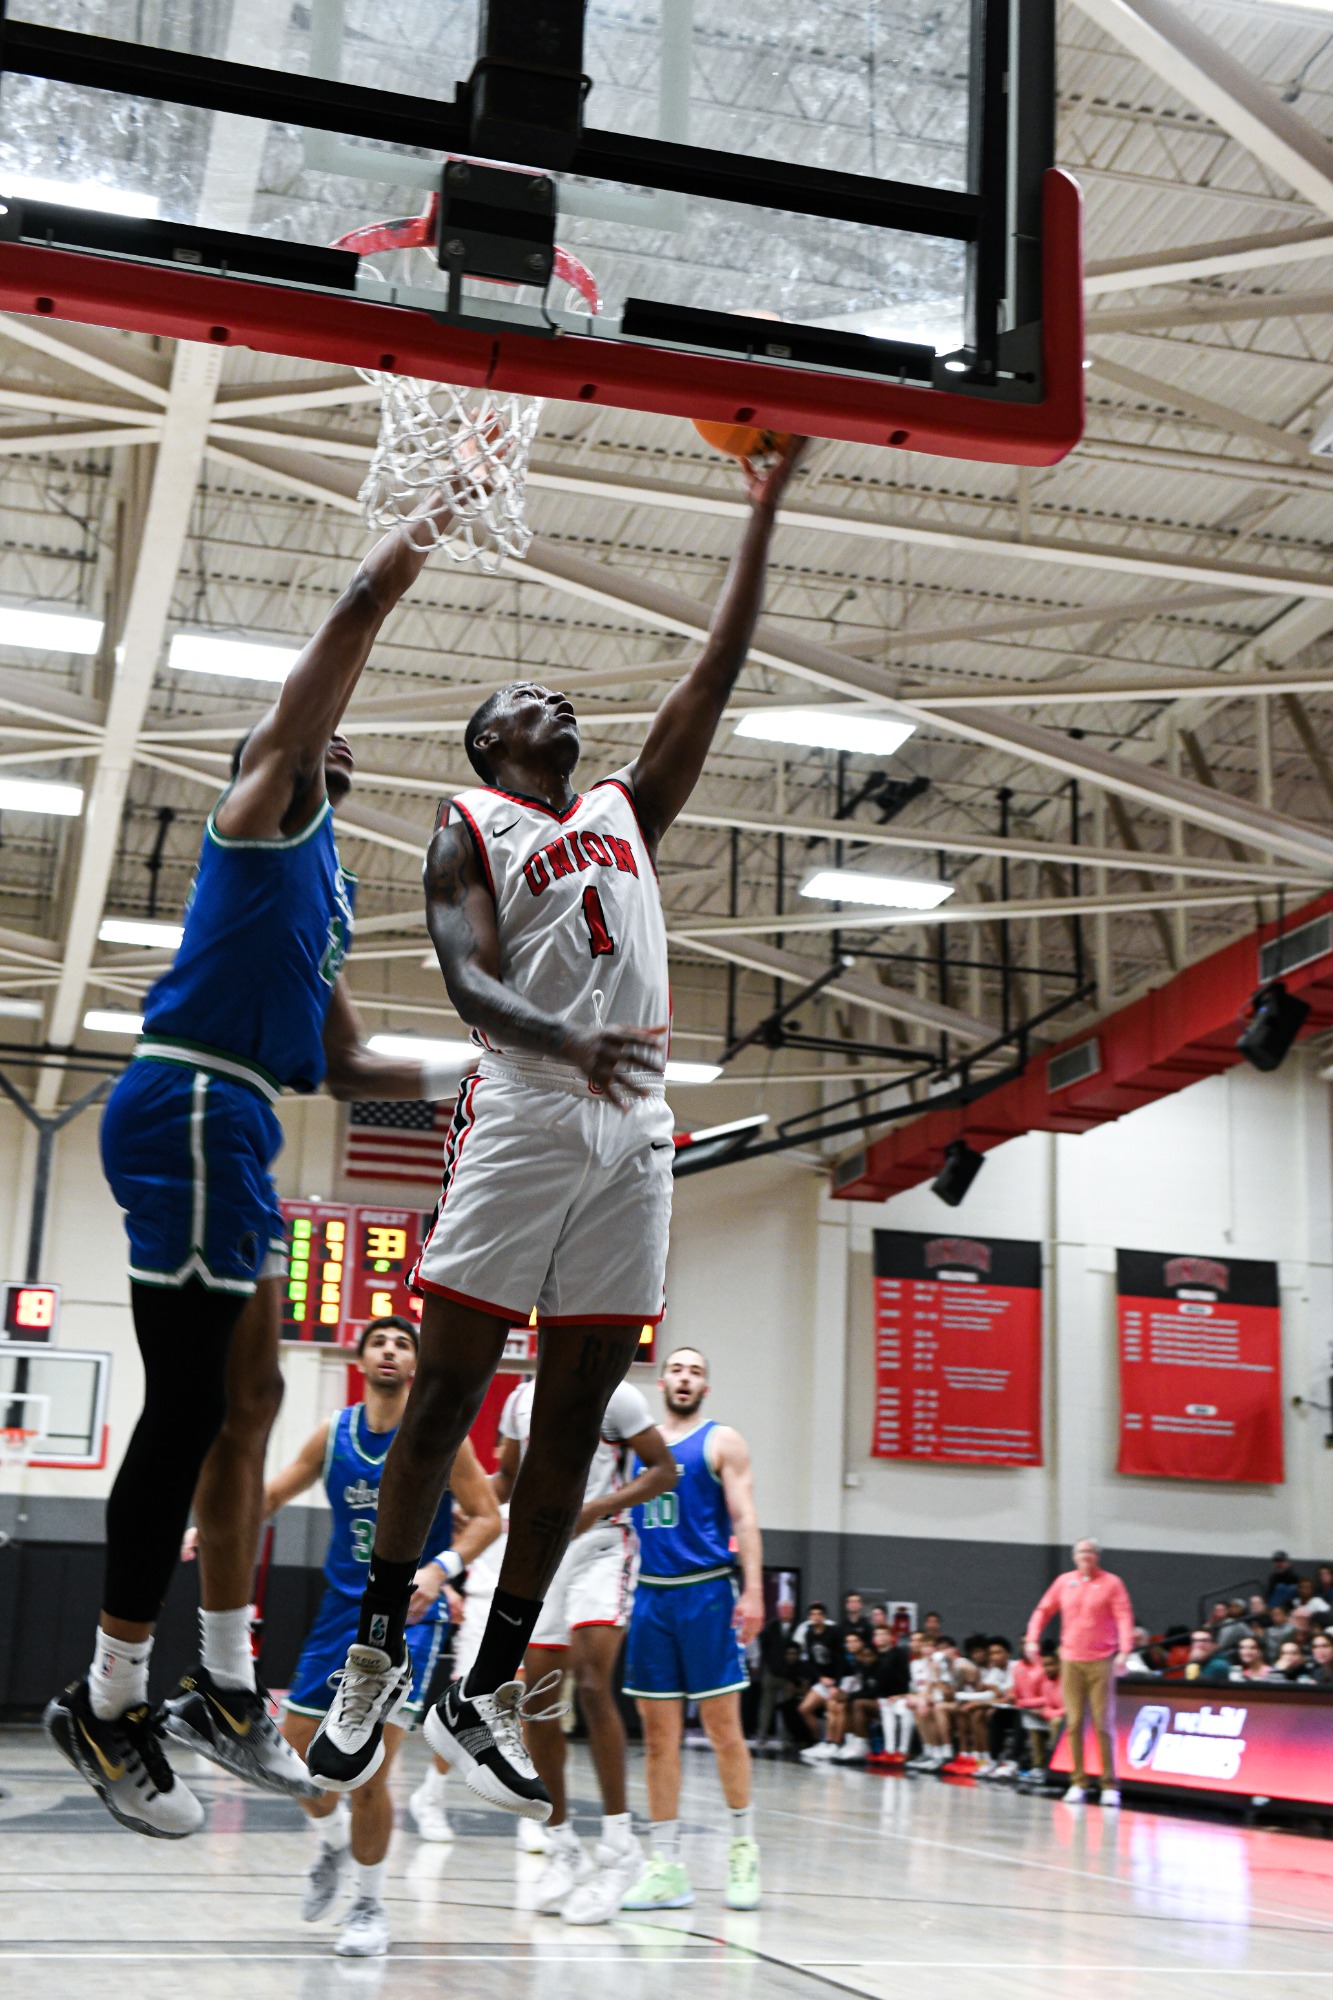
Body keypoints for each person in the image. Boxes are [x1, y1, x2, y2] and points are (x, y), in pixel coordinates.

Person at [304, 441, 805, 1815]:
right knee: (453, 1393)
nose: (558, 697)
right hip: (528, 1108)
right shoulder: (468, 824)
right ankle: (370, 1652)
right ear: (488, 741)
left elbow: (716, 667)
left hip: (635, 1128)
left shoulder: (624, 809)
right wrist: (561, 1039)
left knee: (575, 1417)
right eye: (530, 695)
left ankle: (485, 1671)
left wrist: (762, 511)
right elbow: (468, 982)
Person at [44, 488, 466, 1838]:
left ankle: (224, 1688)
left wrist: (496, 1068)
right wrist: (414, 542)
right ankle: (108, 1699)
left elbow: (346, 1071)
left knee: (253, 1398)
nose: (328, 743)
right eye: (308, 735)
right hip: (181, 1106)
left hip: (240, 1123)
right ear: (275, 759)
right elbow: (344, 628)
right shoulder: (263, 812)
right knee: (184, 1410)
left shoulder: (330, 890)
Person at [262, 1316, 500, 1956]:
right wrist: (217, 1528)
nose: (391, 1350)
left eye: (403, 1344)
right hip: (338, 1613)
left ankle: (369, 1906)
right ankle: (335, 1847)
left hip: (407, 1621)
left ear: (416, 1366)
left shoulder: (440, 1434)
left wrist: (439, 1568)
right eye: (380, 1342)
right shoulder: (332, 1434)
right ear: (361, 1359)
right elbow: (276, 1490)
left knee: (370, 1772)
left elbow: (486, 1518)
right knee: (292, 1760)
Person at [495, 1371, 677, 1926]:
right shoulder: (521, 1397)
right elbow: (503, 1479)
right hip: (543, 1555)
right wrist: (451, 1494)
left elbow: (665, 1471)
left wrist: (597, 1508)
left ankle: (620, 1846)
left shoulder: (615, 1393)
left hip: (604, 1545)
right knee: (539, 1703)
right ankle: (562, 1843)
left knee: (595, 1684)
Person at [619, 1346, 765, 1913]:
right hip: (652, 1595)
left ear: (706, 1386)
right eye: (677, 1369)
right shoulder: (637, 1445)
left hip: (706, 1591)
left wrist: (752, 1590)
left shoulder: (722, 1441)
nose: (685, 1377)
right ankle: (666, 1866)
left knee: (724, 1728)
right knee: (658, 1738)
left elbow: (746, 1518)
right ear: (661, 1381)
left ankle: (744, 1848)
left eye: (696, 1371)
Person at [1024, 1538, 1133, 1808]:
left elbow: (1124, 1616)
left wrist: (1125, 1650)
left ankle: (1109, 1784)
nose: (1086, 1555)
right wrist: (1031, 1638)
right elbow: (1043, 1610)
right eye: (1082, 1551)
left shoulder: (1112, 1583)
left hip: (1101, 1661)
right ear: (1074, 1556)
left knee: (1102, 1724)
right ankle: (1078, 1782)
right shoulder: (1064, 1582)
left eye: (1091, 1552)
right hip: (1070, 1659)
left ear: (1098, 1556)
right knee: (1072, 1723)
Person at [755, 1595, 800, 1746]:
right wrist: (769, 1664)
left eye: (788, 1609)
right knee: (766, 1705)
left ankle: (787, 1735)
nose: (785, 1611)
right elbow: (763, 1647)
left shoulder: (798, 1627)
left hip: (790, 1674)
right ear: (778, 1610)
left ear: (792, 1610)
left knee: (789, 1706)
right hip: (772, 1672)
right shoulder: (770, 1627)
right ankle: (762, 1734)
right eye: (782, 1609)